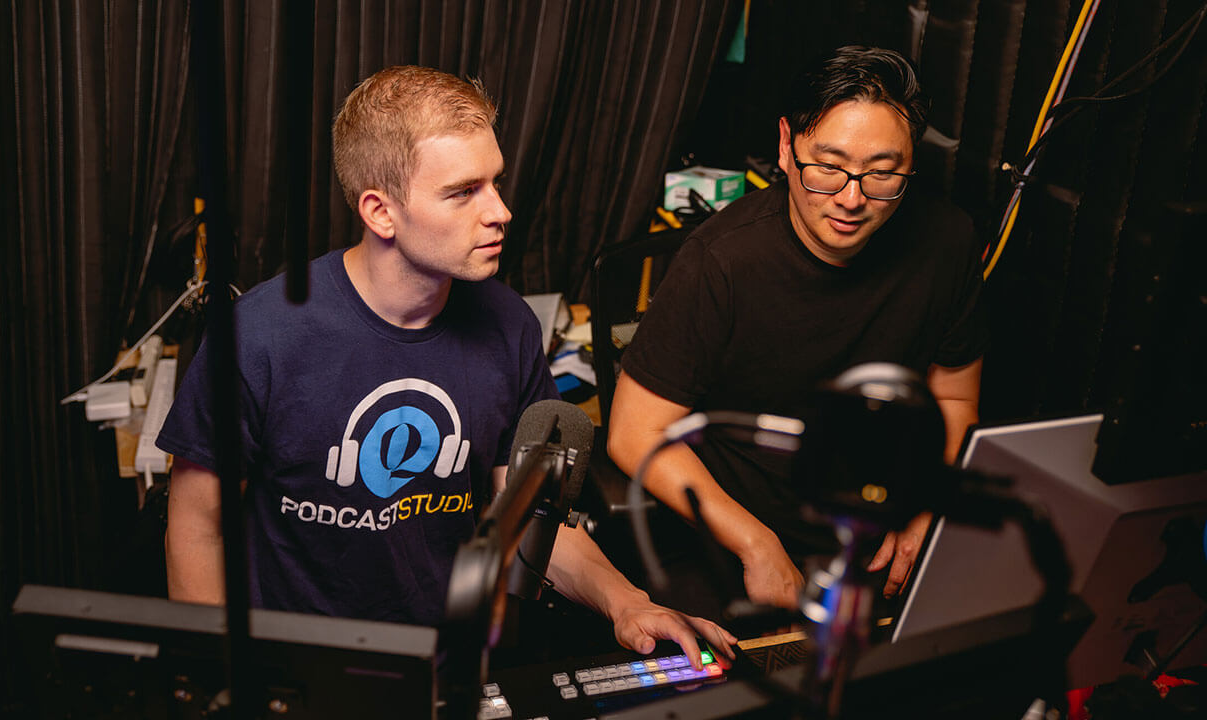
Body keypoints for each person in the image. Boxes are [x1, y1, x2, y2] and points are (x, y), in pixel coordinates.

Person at [159, 65, 735, 666]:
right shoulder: (259, 336)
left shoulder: (509, 326)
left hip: (449, 665)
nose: (500, 211)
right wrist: (219, 679)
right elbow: (198, 530)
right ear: (381, 212)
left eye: (495, 182)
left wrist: (627, 602)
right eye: (463, 192)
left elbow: (529, 519)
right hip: (302, 673)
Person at [608, 46, 987, 611]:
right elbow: (634, 433)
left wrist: (927, 506)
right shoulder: (722, 261)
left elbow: (954, 398)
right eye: (828, 168)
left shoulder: (949, 241)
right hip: (740, 533)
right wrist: (755, 544)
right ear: (786, 146)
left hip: (877, 536)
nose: (852, 199)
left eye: (882, 174)